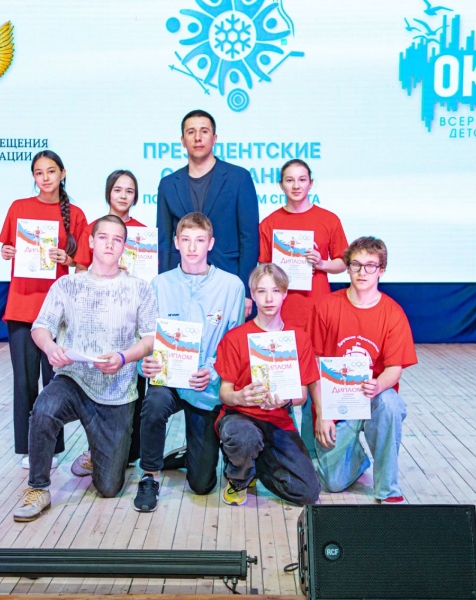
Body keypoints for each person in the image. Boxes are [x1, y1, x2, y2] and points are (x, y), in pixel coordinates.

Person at [13, 215, 158, 522]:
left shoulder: (140, 288)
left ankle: (96, 454)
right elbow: (40, 327)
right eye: (103, 237)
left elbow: (149, 339)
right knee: (44, 409)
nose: (109, 244)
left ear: (125, 246)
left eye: (117, 239)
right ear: (91, 241)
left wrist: (124, 357)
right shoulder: (67, 285)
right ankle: (38, 488)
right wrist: (50, 348)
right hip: (74, 380)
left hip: (117, 391)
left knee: (109, 488)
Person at [132, 212, 245, 512]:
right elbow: (146, 337)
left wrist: (213, 371)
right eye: (186, 240)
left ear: (211, 243)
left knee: (202, 484)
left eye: (199, 240)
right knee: (154, 403)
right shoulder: (159, 284)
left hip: (205, 385)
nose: (192, 247)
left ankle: (189, 454)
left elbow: (234, 343)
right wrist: (144, 364)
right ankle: (150, 475)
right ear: (176, 243)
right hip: (168, 380)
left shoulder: (232, 286)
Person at [307, 236, 417, 503]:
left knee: (390, 404)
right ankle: (357, 457)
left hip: (372, 398)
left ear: (381, 270)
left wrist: (378, 385)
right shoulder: (326, 306)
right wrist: (322, 412)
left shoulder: (393, 313)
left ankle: (387, 489)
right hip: (335, 403)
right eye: (356, 265)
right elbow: (313, 364)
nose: (362, 272)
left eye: (370, 266)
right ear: (347, 268)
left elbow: (394, 369)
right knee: (333, 484)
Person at [0, 150, 87, 468]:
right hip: (21, 306)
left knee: (54, 382)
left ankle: (51, 446)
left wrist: (69, 259)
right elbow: (7, 247)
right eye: (39, 172)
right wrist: (7, 251)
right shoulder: (19, 208)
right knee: (24, 381)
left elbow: (84, 263)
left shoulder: (75, 214)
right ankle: (28, 448)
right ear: (33, 177)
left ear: (63, 173)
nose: (45, 177)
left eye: (51, 171)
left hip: (56, 311)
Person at [213, 264, 320, 506]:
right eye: (261, 291)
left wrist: (286, 400)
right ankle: (239, 477)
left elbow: (302, 395)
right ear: (252, 294)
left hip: (277, 419)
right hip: (240, 417)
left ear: (285, 293)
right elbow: (224, 392)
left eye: (275, 291)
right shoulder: (235, 337)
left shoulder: (299, 338)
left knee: (307, 493)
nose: (269, 299)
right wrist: (240, 397)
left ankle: (254, 465)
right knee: (245, 437)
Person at [71, 169, 147, 476]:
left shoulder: (144, 233)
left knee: (133, 387)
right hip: (97, 320)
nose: (123, 195)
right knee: (96, 385)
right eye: (118, 189)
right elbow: (79, 272)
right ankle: (96, 449)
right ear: (108, 193)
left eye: (129, 191)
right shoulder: (94, 228)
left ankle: (128, 452)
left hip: (130, 320)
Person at [156, 109, 259, 310]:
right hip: (180, 283)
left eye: (204, 131)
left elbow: (249, 238)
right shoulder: (168, 184)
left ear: (214, 138)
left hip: (227, 279)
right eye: (191, 132)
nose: (197, 137)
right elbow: (164, 241)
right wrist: (165, 287)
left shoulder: (239, 178)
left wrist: (246, 292)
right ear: (182, 140)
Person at [258, 159, 348, 331]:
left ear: (310, 183)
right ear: (281, 185)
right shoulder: (269, 223)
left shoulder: (329, 220)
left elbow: (343, 262)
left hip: (317, 302)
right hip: (282, 306)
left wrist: (321, 264)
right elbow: (264, 268)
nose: (296, 186)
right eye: (289, 180)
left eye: (302, 180)